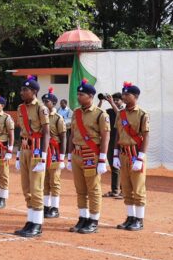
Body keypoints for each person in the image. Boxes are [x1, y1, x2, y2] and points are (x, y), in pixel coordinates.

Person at [67, 79, 110, 234]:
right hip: (77, 154)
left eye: (81, 94)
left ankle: (93, 220)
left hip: (91, 154)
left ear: (91, 96)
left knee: (93, 189)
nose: (78, 96)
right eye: (78, 94)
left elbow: (106, 137)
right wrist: (69, 156)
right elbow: (72, 134)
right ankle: (83, 218)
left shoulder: (100, 115)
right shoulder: (76, 113)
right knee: (80, 189)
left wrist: (102, 159)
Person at [13, 75, 50, 238]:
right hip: (25, 149)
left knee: (36, 188)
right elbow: (21, 132)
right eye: (21, 89)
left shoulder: (41, 108)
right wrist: (18, 153)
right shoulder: (20, 108)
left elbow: (47, 133)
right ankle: (30, 220)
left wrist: (43, 156)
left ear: (34, 91)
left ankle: (38, 223)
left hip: (36, 150)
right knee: (26, 188)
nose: (22, 92)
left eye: (25, 90)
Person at [115, 82, 151, 232]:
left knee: (138, 189)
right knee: (127, 188)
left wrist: (141, 157)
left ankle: (139, 220)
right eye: (123, 94)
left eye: (127, 94)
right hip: (123, 154)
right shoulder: (120, 113)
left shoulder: (142, 114)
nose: (123, 97)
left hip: (136, 154)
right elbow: (118, 133)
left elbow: (146, 135)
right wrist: (115, 154)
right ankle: (130, 218)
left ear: (135, 96)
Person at [41, 88, 68, 219]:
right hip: (43, 151)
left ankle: (55, 208)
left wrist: (62, 158)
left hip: (55, 151)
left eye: (47, 101)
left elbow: (63, 138)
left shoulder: (58, 118)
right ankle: (46, 206)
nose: (45, 103)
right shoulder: (40, 116)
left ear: (53, 103)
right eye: (43, 101)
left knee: (54, 180)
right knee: (44, 179)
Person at [103, 93, 125, 199]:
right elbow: (97, 113)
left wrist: (112, 103)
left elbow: (120, 116)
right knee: (113, 166)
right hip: (111, 141)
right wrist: (101, 101)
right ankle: (115, 190)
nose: (115, 101)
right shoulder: (109, 111)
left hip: (121, 141)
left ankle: (124, 190)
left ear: (122, 101)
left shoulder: (124, 111)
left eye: (117, 100)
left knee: (121, 167)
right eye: (114, 100)